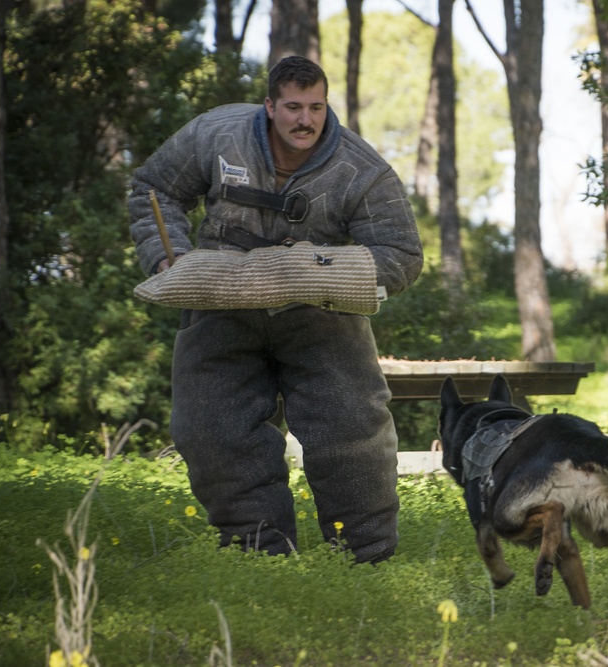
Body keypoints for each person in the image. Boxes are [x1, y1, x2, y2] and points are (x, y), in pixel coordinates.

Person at [128, 56, 423, 563]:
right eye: (292, 107)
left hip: (320, 308)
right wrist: (165, 257)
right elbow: (153, 188)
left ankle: (365, 558)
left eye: (316, 107)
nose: (305, 120)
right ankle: (257, 556)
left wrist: (321, 269)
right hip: (219, 299)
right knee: (210, 429)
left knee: (352, 430)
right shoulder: (217, 134)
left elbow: (401, 254)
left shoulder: (361, 168)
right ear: (269, 106)